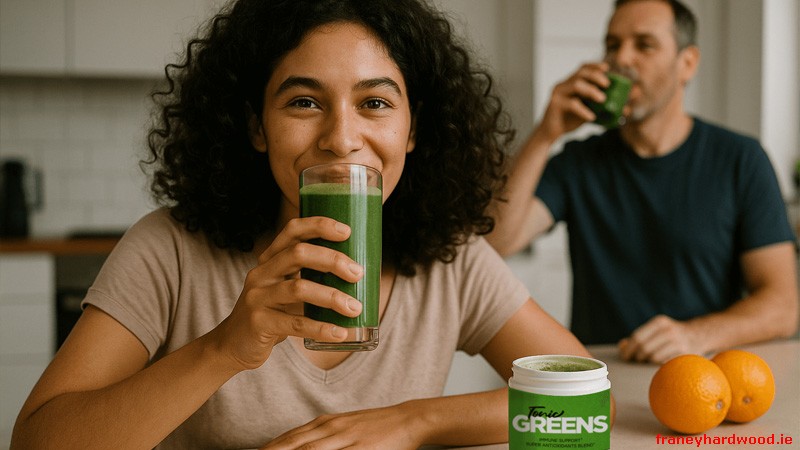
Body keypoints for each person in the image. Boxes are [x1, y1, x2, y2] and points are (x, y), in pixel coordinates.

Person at [11, 0, 600, 448]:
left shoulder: (453, 260)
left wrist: (412, 421)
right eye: (303, 102)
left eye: (374, 103)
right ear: (257, 128)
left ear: (413, 130)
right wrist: (224, 348)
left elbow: (585, 409)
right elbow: (36, 441)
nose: (341, 139)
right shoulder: (169, 249)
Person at [486, 0, 798, 364]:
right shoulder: (578, 163)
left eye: (644, 45)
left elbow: (783, 306)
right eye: (613, 45)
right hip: (603, 379)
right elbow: (497, 243)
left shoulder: (741, 160)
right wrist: (545, 133)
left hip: (704, 377)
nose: (622, 59)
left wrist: (695, 335)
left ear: (687, 64)